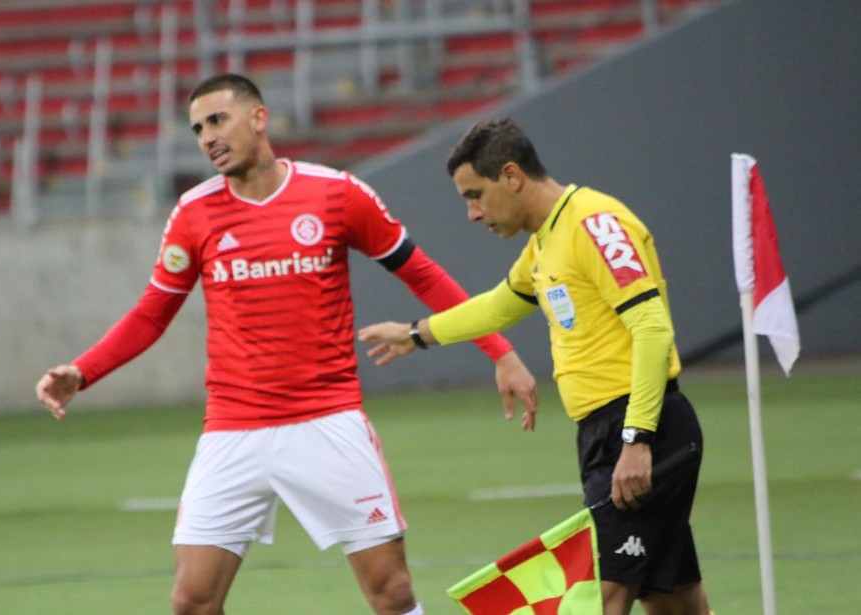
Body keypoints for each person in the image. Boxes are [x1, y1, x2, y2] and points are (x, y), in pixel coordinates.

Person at [35, 76, 538, 615]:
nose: (207, 137)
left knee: (392, 593)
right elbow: (151, 313)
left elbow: (422, 275)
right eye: (198, 128)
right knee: (191, 600)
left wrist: (500, 352)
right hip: (233, 429)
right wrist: (83, 372)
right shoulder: (193, 213)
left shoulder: (335, 193)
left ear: (258, 119)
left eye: (218, 120)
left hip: (328, 420)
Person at [359, 117, 712, 615]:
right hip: (605, 432)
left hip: (639, 430)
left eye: (475, 195)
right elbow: (499, 305)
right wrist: (417, 333)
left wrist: (637, 439)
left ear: (511, 175)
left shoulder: (595, 224)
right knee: (673, 598)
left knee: (602, 597)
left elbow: (653, 329)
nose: (473, 214)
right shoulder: (545, 242)